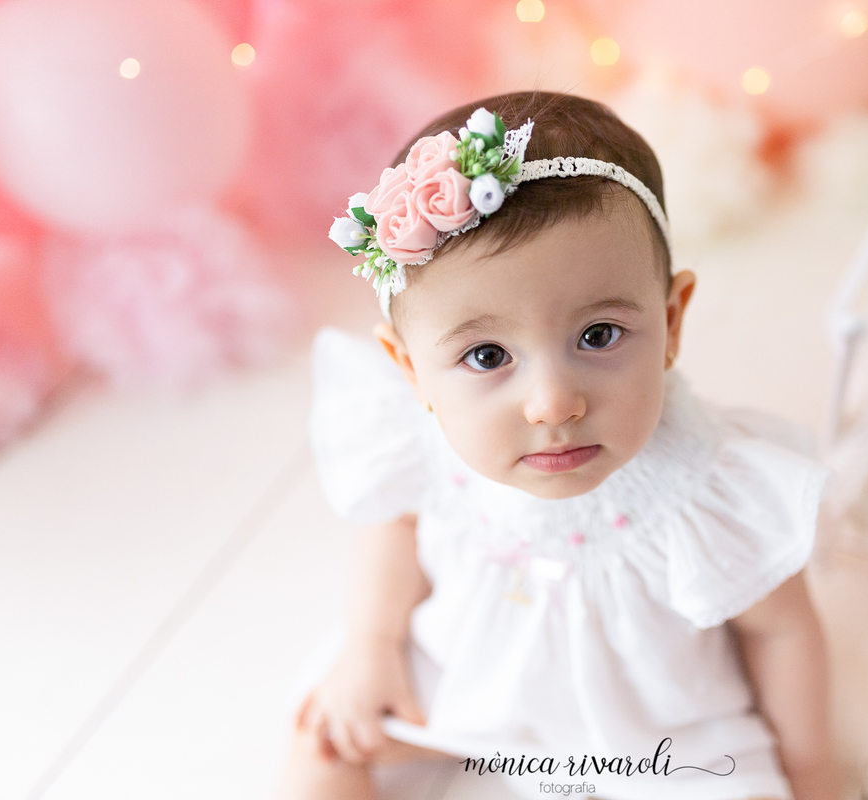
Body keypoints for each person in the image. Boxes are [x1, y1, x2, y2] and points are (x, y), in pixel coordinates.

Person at [273, 91, 836, 800]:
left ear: (671, 320)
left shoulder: (709, 482)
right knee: (324, 743)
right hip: (460, 681)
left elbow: (780, 631)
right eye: (486, 357)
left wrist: (813, 775)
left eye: (598, 336)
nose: (553, 403)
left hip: (659, 735)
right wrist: (373, 645)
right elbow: (399, 524)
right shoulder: (432, 436)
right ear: (411, 368)